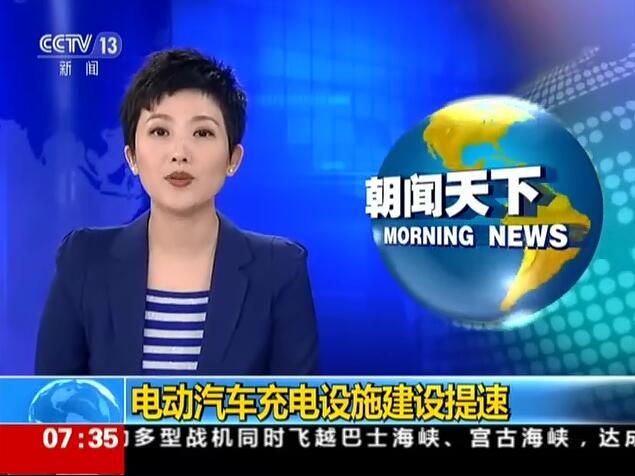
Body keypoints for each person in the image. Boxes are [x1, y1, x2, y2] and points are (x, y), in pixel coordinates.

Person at [35, 48, 319, 375]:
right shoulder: (84, 260)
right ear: (132, 157)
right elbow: (50, 400)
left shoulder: (280, 270)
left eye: (202, 133)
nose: (179, 153)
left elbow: (295, 404)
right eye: (160, 131)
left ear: (233, 159)